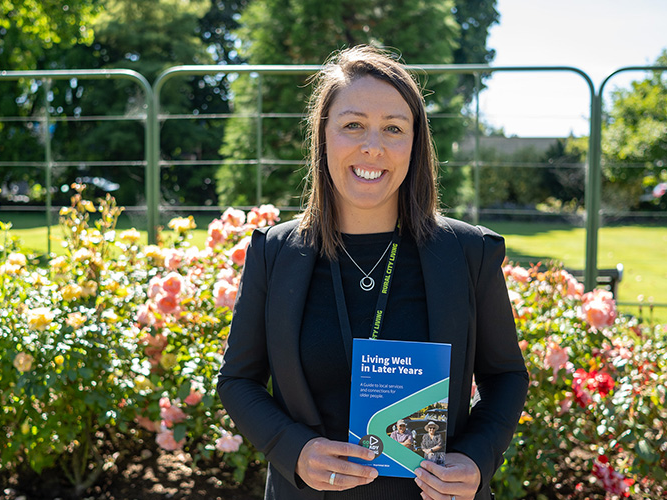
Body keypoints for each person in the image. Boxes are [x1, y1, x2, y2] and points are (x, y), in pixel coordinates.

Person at [217, 45, 528, 500]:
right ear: (323, 135)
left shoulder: (468, 253)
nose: (372, 147)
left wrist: (477, 459)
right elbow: (237, 380)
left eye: (393, 129)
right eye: (353, 125)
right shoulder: (275, 253)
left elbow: (506, 377)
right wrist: (294, 450)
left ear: (415, 143)